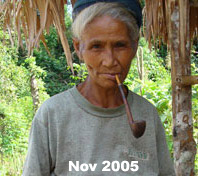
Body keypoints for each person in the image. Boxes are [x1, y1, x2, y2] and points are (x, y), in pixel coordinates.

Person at [23, 0, 176, 175]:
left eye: (120, 45)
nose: (110, 61)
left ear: (134, 46)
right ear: (78, 48)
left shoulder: (147, 114)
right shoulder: (53, 115)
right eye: (96, 46)